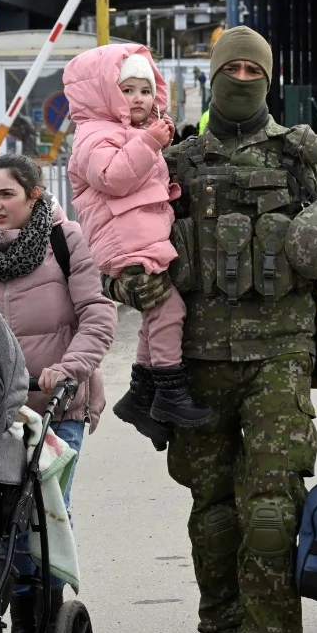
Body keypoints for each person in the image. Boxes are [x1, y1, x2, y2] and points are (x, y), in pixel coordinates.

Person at [108, 25, 317, 633]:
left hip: (278, 360)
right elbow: (121, 248)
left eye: (251, 69)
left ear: (269, 78)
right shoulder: (175, 162)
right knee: (214, 519)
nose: (240, 79)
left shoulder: (302, 161)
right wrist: (128, 284)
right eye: (229, 69)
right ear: (212, 78)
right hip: (196, 366)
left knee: (270, 513)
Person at [0, 154, 116, 633]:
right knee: (3, 514)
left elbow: (98, 314)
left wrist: (70, 367)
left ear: (34, 195)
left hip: (56, 406)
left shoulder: (65, 241)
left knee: (45, 512)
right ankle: (21, 615)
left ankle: (43, 616)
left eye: (7, 194)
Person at [64, 43, 209, 437]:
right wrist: (149, 145)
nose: (139, 98)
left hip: (140, 238)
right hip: (124, 243)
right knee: (168, 311)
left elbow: (143, 184)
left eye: (146, 90)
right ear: (103, 94)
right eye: (127, 90)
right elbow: (112, 178)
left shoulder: (127, 132)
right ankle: (170, 391)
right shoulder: (94, 135)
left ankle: (141, 395)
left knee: (156, 312)